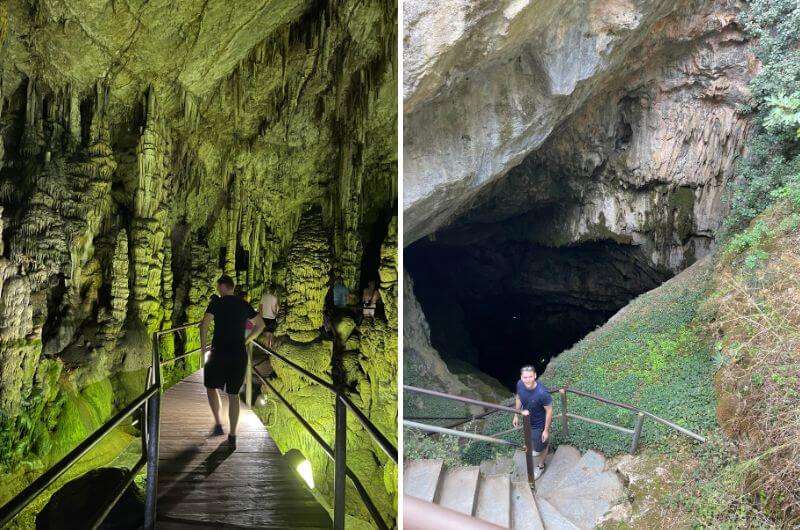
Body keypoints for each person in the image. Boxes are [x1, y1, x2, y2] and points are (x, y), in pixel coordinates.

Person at [200, 275, 265, 448]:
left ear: (222, 286)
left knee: (211, 387)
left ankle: (219, 424)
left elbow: (204, 324)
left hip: (219, 353)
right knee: (234, 395)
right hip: (238, 354)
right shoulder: (243, 304)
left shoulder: (217, 303)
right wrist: (247, 340)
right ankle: (233, 435)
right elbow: (260, 325)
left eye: (217, 286)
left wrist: (202, 348)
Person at [512, 365, 553, 479]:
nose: (528, 380)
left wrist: (545, 430)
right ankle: (539, 446)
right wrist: (516, 414)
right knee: (532, 441)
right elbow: (519, 397)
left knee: (541, 447)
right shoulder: (520, 384)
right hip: (527, 420)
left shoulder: (542, 393)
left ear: (535, 376)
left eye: (530, 377)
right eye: (525, 377)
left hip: (539, 425)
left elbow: (549, 411)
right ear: (521, 377)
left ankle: (541, 466)